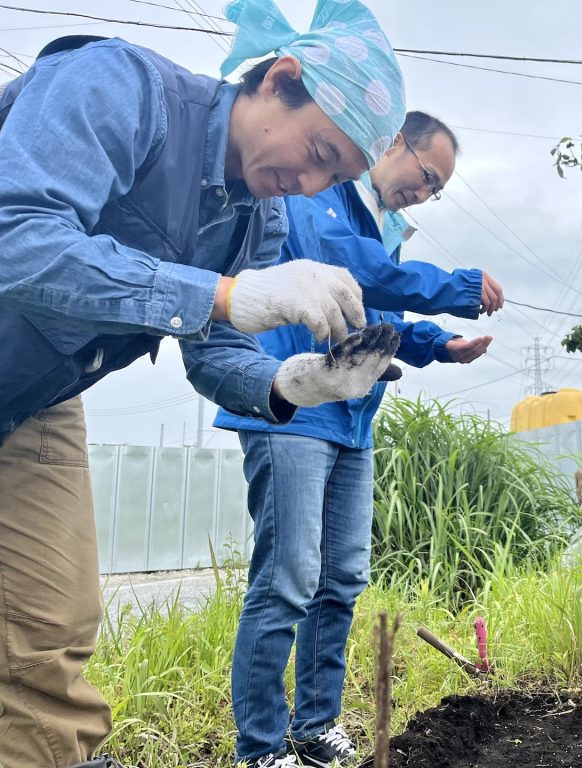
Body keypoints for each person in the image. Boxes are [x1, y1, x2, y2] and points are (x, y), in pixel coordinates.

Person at [0, 0, 406, 765]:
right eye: (319, 149)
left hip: (32, 400)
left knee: (49, 626)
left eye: (335, 175)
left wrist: (293, 383)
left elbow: (214, 352)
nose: (309, 179)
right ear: (279, 79)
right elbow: (18, 238)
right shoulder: (118, 88)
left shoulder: (262, 220)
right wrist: (217, 294)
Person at [212, 111, 504, 767]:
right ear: (394, 144)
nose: (424, 193)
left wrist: (438, 344)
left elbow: (378, 311)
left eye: (435, 190)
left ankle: (315, 727)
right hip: (291, 405)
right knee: (287, 578)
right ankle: (258, 750)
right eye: (425, 176)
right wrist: (455, 288)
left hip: (352, 415)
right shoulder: (320, 189)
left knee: (341, 577)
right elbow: (348, 264)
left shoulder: (377, 222)